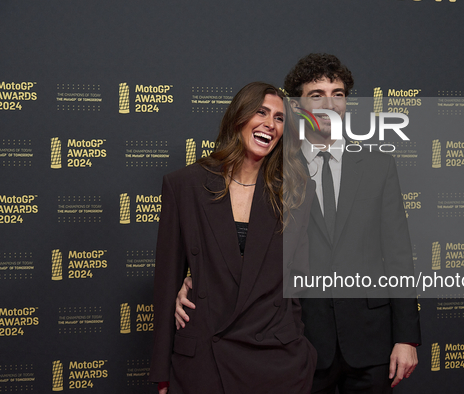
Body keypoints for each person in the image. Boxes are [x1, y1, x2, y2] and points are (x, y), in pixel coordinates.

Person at [176, 54, 421, 393]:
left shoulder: (378, 165)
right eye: (316, 94)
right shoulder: (272, 168)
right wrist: (194, 281)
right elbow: (237, 244)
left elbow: (399, 255)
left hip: (371, 340)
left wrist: (407, 338)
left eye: (338, 94)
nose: (330, 103)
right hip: (298, 341)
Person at [149, 82, 316, 394]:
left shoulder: (295, 192)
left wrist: (295, 345)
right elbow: (166, 284)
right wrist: (162, 374)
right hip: (204, 363)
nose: (270, 124)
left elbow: (298, 280)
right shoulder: (184, 185)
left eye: (279, 118)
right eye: (261, 112)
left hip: (275, 362)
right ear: (239, 117)